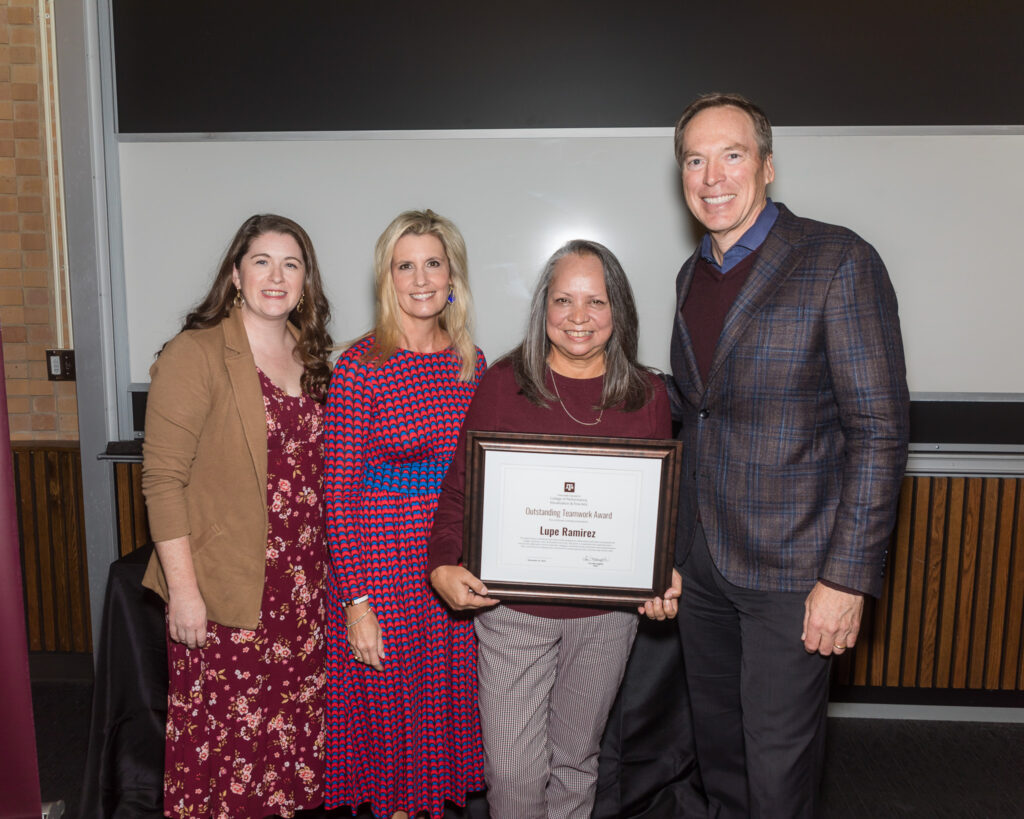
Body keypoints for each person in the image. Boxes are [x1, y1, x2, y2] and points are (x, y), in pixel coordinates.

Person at [668, 92, 910, 817]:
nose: (713, 175)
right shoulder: (691, 276)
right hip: (703, 568)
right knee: (723, 764)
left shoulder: (837, 260)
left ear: (767, 166)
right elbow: (698, 414)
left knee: (778, 777)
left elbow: (878, 428)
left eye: (732, 154)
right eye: (695, 159)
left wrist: (846, 577)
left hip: (794, 574)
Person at [428, 239, 682, 819]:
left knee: (576, 761)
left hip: (606, 616)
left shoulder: (648, 395)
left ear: (618, 311)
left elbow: (655, 508)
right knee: (513, 771)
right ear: (544, 307)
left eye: (595, 301)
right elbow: (461, 491)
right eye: (564, 300)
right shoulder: (501, 384)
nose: (578, 317)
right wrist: (442, 563)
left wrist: (661, 571)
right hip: (511, 610)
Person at [141, 213, 335, 818]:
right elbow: (162, 480)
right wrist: (185, 591)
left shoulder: (317, 357)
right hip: (228, 592)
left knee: (289, 758)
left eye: (291, 264)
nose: (276, 277)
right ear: (235, 274)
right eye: (262, 262)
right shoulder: (195, 353)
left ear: (306, 282)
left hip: (305, 594)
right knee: (231, 760)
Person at [322, 210, 487, 819]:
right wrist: (355, 603)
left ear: (453, 276)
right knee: (394, 744)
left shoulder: (476, 364)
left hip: (447, 570)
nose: (420, 279)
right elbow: (338, 494)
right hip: (383, 571)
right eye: (405, 265)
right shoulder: (360, 366)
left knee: (440, 732)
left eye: (433, 263)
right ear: (386, 277)